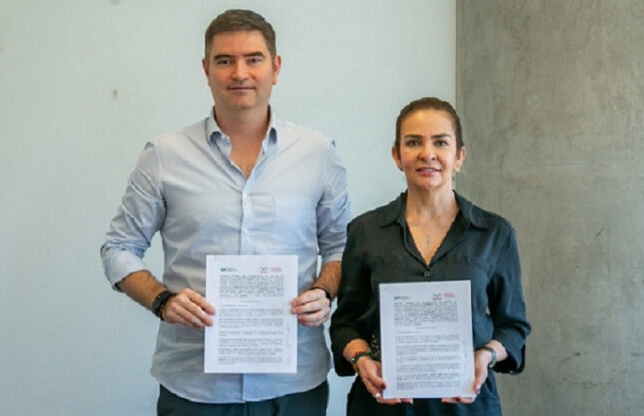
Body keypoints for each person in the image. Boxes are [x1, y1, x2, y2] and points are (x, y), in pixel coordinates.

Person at [100, 9, 351, 416]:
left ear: (276, 67)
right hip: (194, 385)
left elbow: (341, 246)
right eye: (224, 60)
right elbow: (118, 249)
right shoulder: (164, 155)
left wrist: (325, 292)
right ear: (206, 69)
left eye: (253, 59)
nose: (240, 73)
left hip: (293, 384)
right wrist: (162, 300)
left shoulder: (318, 153)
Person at [330, 97, 530, 415]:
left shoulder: (495, 233)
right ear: (397, 156)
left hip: (468, 408)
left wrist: (487, 355)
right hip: (383, 407)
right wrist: (361, 359)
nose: (427, 153)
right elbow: (345, 324)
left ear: (459, 156)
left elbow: (513, 327)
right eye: (413, 142)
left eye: (441, 142)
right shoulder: (365, 231)